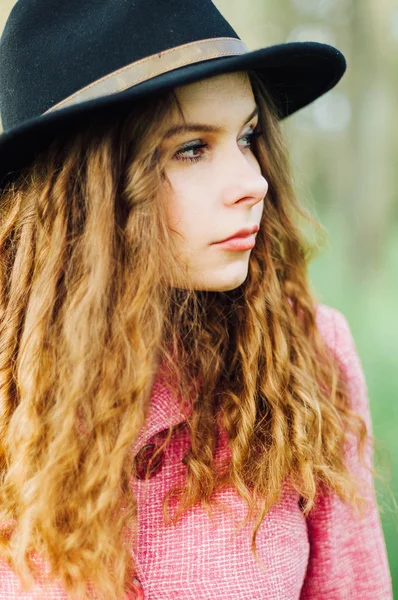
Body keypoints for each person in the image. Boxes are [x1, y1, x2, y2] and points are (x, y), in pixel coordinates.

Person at [0, 0, 393, 599]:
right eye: (191, 148)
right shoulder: (12, 390)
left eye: (248, 137)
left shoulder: (306, 356)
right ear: (86, 187)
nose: (254, 182)